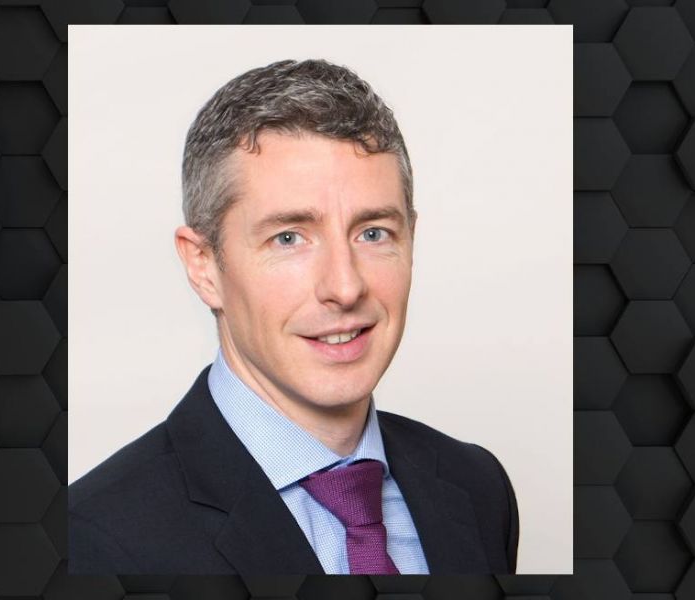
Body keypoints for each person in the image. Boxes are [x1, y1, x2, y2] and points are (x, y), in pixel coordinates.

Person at [69, 58, 519, 575]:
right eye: (288, 238)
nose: (344, 287)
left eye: (373, 232)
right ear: (203, 265)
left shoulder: (477, 487)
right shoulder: (96, 541)